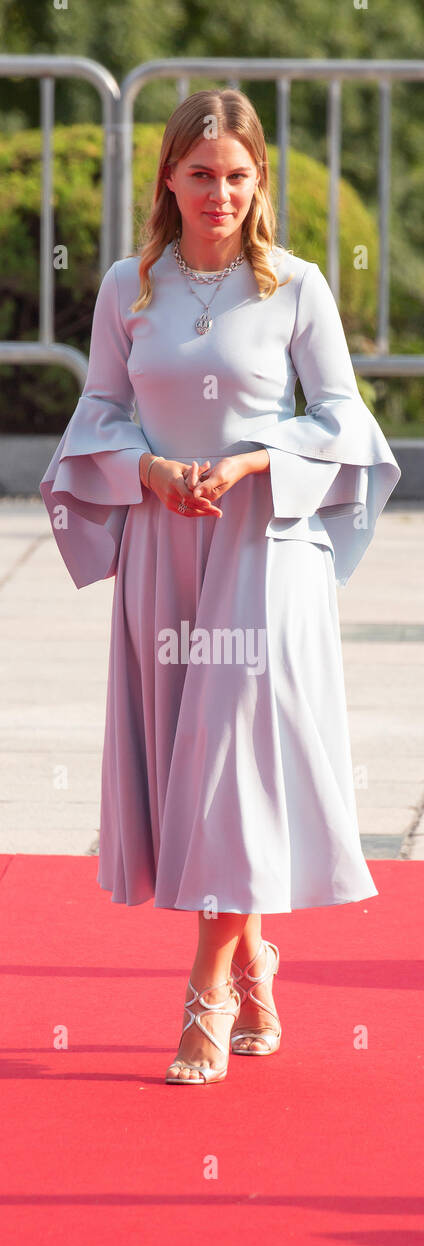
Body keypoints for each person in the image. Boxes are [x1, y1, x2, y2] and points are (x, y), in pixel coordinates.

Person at [39, 88, 401, 1087]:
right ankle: (256, 959)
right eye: (202, 174)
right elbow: (98, 414)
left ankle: (203, 992)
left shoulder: (295, 287)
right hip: (164, 550)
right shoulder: (127, 287)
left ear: (258, 183)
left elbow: (343, 422)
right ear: (168, 176)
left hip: (265, 553)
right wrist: (148, 473)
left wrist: (251, 462)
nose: (221, 193)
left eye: (239, 175)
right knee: (187, 774)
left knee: (231, 770)